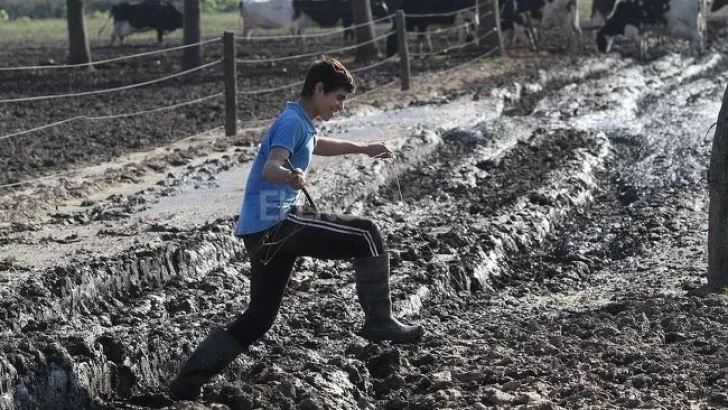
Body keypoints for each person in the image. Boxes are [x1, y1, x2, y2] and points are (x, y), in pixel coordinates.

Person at [169, 56, 424, 401]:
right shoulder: (292, 122)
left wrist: (363, 148)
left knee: (259, 318)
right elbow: (271, 166)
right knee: (367, 233)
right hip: (277, 222)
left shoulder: (301, 121)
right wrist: (290, 176)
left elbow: (318, 144)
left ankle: (187, 381)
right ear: (318, 89)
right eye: (338, 98)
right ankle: (379, 321)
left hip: (258, 230)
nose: (339, 106)